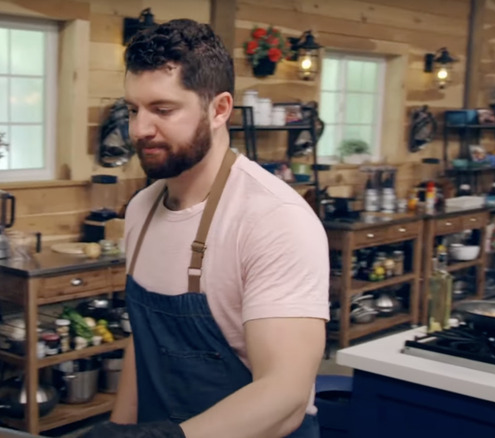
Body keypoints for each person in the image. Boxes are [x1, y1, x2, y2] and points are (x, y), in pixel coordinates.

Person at [82, 19, 329, 438]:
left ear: (219, 109)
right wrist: (120, 429)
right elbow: (143, 346)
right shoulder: (142, 209)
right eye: (132, 110)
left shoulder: (274, 219)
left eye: (163, 110)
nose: (139, 129)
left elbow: (285, 396)